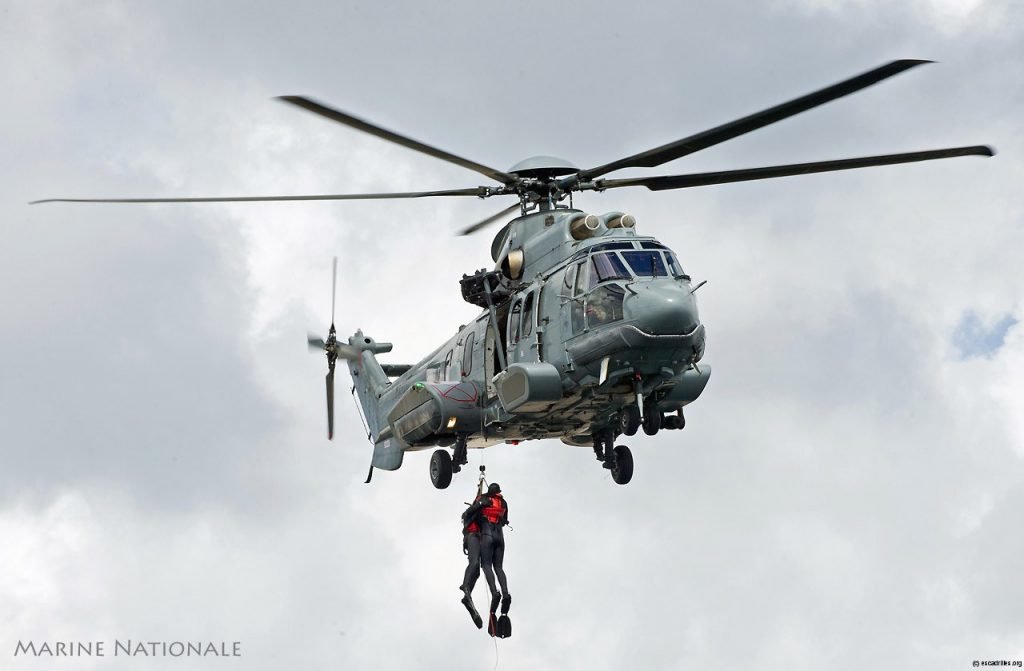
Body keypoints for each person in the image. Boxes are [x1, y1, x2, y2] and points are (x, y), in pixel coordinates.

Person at [463, 482, 511, 637]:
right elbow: (504, 520)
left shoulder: (483, 501)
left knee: (485, 565)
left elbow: (466, 516)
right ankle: (505, 593)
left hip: (487, 534)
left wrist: (478, 505)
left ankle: (493, 592)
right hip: (500, 536)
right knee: (499, 567)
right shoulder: (502, 502)